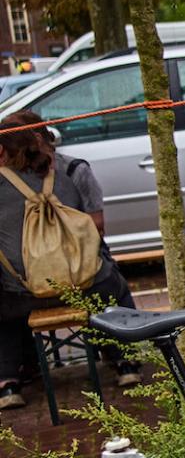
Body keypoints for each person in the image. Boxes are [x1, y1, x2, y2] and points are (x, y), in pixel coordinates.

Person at [0, 111, 141, 410]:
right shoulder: (72, 170)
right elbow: (96, 229)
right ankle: (124, 360)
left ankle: (9, 381)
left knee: (3, 297)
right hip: (86, 288)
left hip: (23, 299)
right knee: (111, 278)